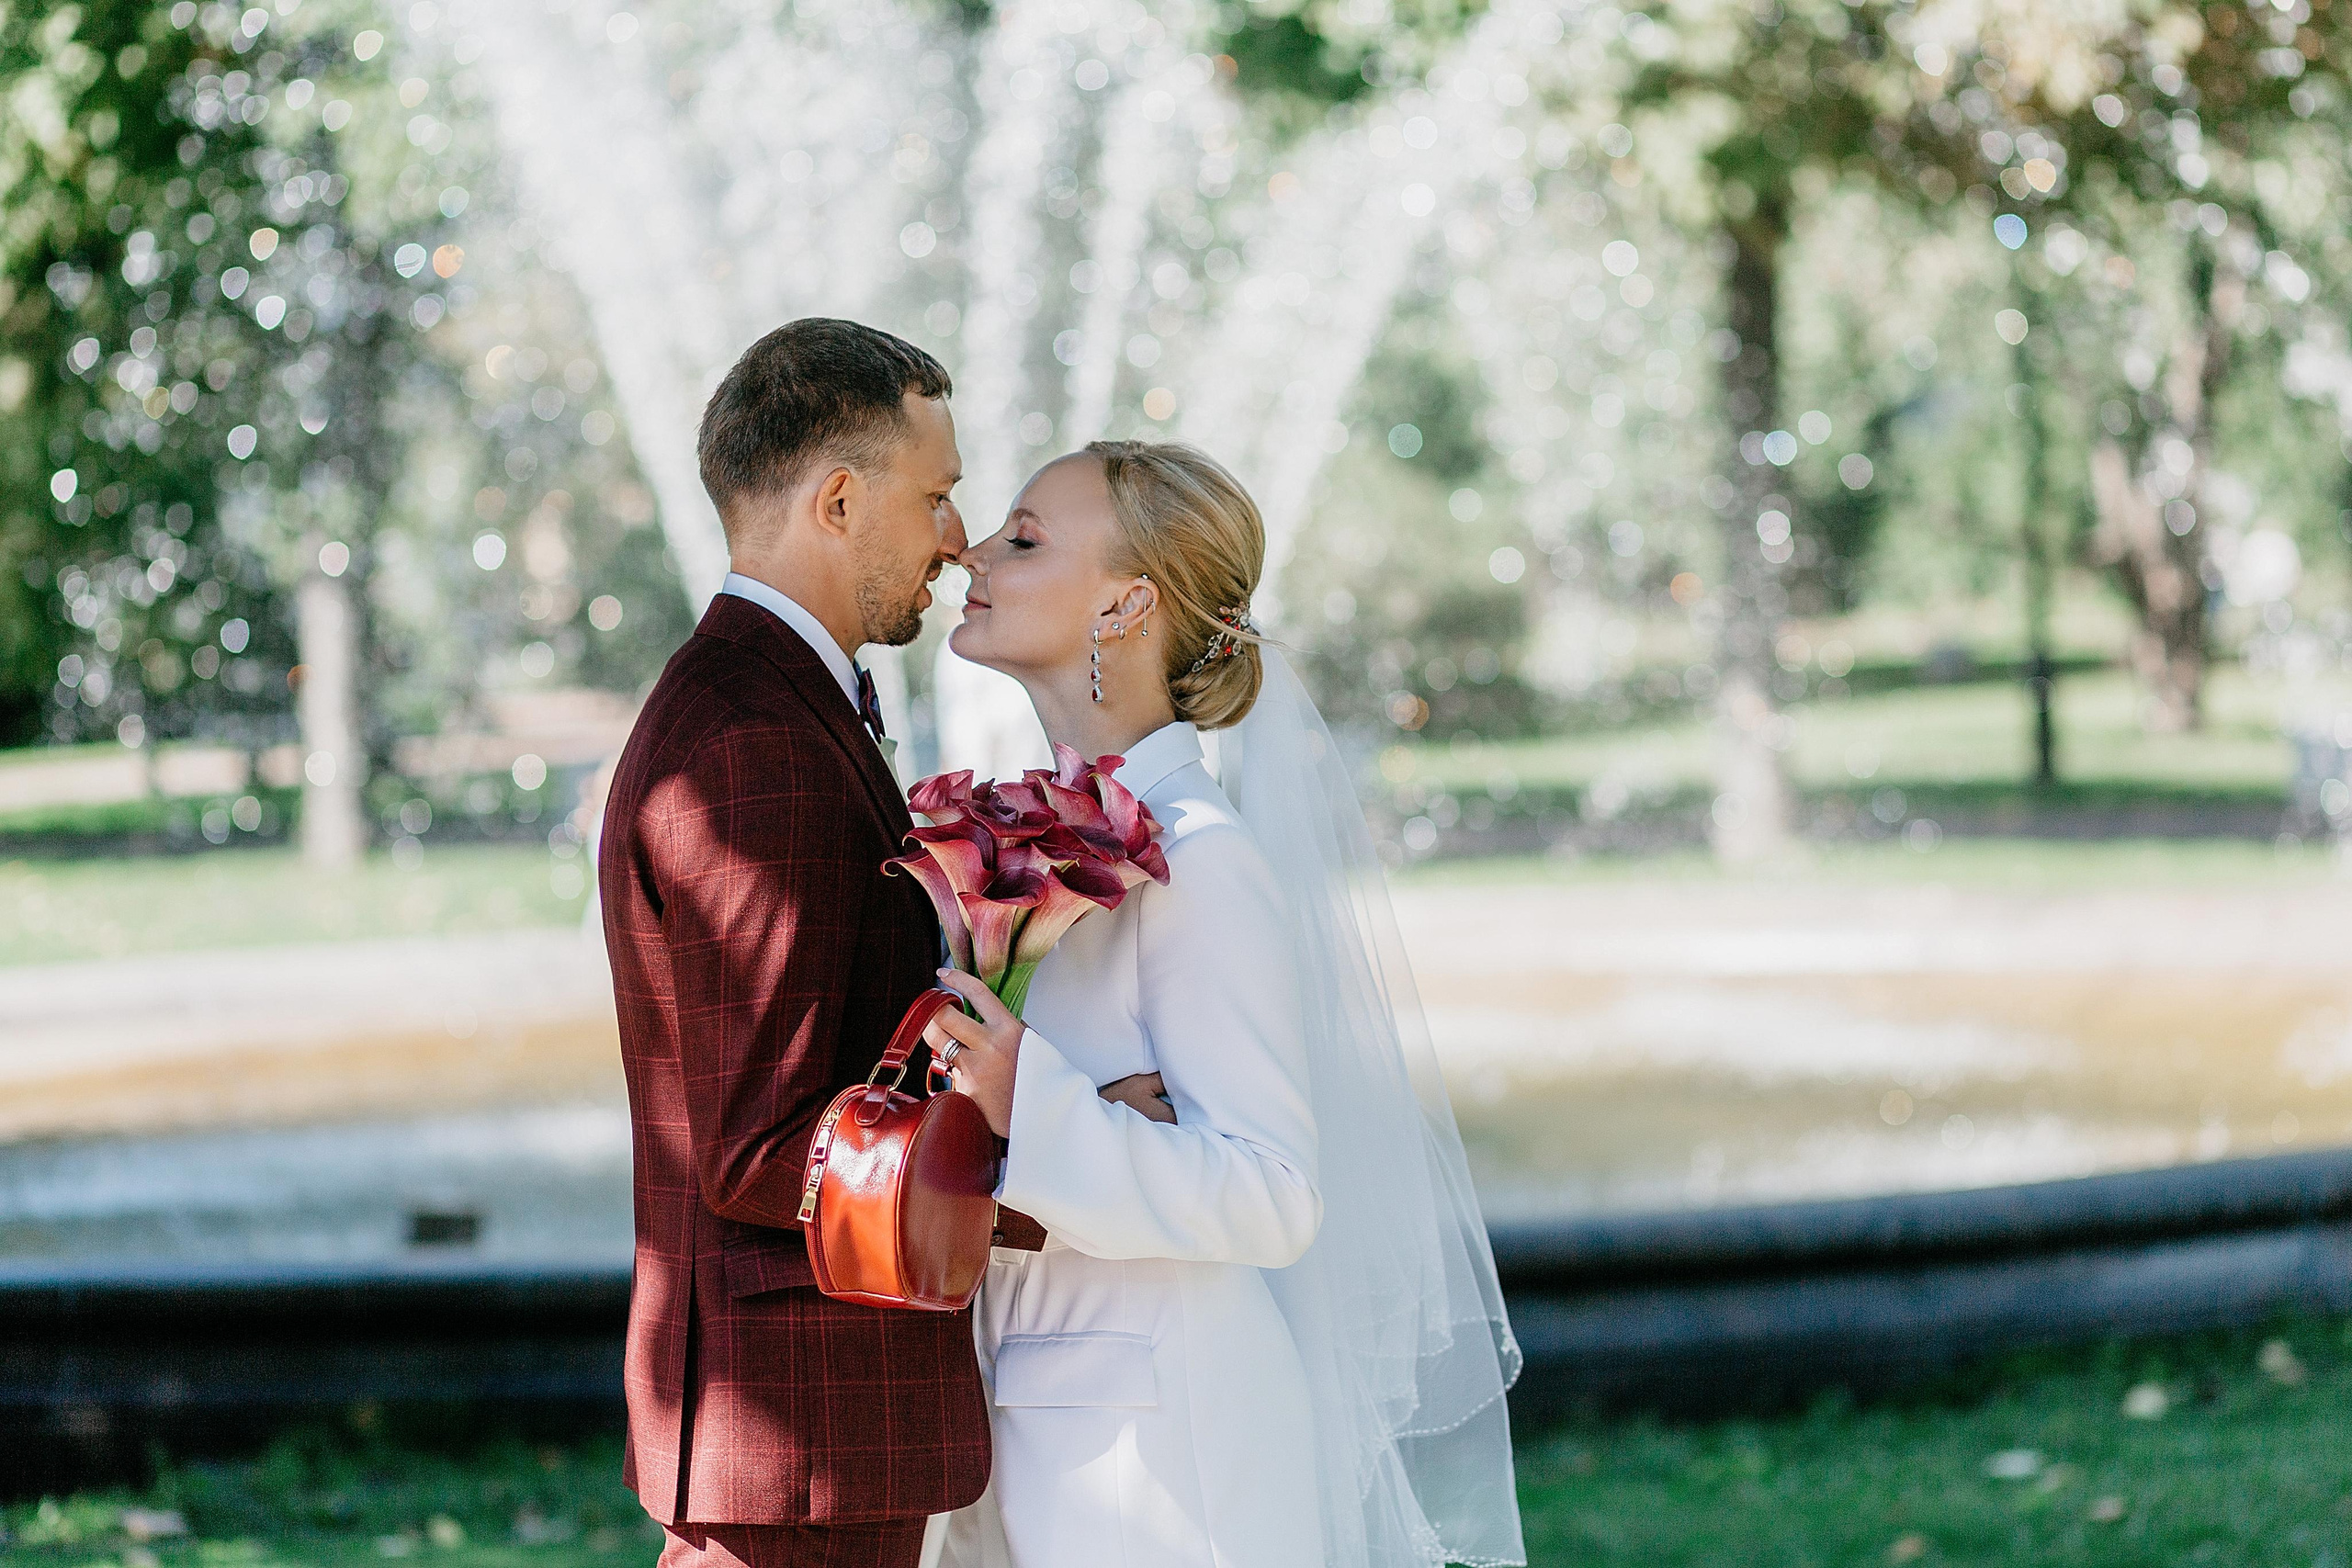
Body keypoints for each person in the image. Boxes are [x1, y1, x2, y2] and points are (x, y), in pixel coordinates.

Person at [923, 441, 1526, 1568]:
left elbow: (1273, 1193)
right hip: (1042, 1416)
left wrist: (1032, 1096)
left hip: (1167, 1461)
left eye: (1025, 536)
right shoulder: (1019, 841)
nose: (972, 551)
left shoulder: (1197, 860)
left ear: (1127, 601)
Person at [595, 318, 985, 1568]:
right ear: (837, 499)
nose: (957, 538)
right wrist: (1044, 1141)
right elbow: (763, 1143)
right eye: (936, 497)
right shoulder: (755, 743)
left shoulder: (767, 699)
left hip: (802, 1435)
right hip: (800, 1437)